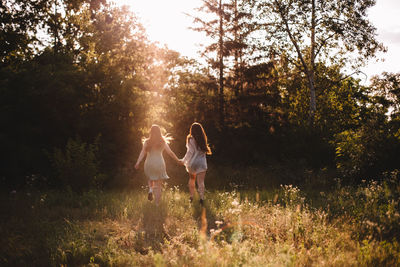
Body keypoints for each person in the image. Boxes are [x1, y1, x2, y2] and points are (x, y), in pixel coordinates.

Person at [135, 124, 182, 205]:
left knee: (150, 178)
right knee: (158, 185)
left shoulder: (147, 142)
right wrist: (177, 160)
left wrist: (138, 162)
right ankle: (157, 204)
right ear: (159, 132)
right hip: (159, 163)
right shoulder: (162, 142)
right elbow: (170, 153)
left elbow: (142, 153)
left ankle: (150, 189)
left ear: (151, 132)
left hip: (149, 163)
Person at [182, 122, 212, 205]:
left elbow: (190, 152)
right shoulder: (203, 138)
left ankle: (191, 197)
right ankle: (201, 198)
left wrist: (184, 160)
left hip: (192, 163)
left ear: (192, 130)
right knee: (201, 182)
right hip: (201, 162)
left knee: (192, 179)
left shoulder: (190, 139)